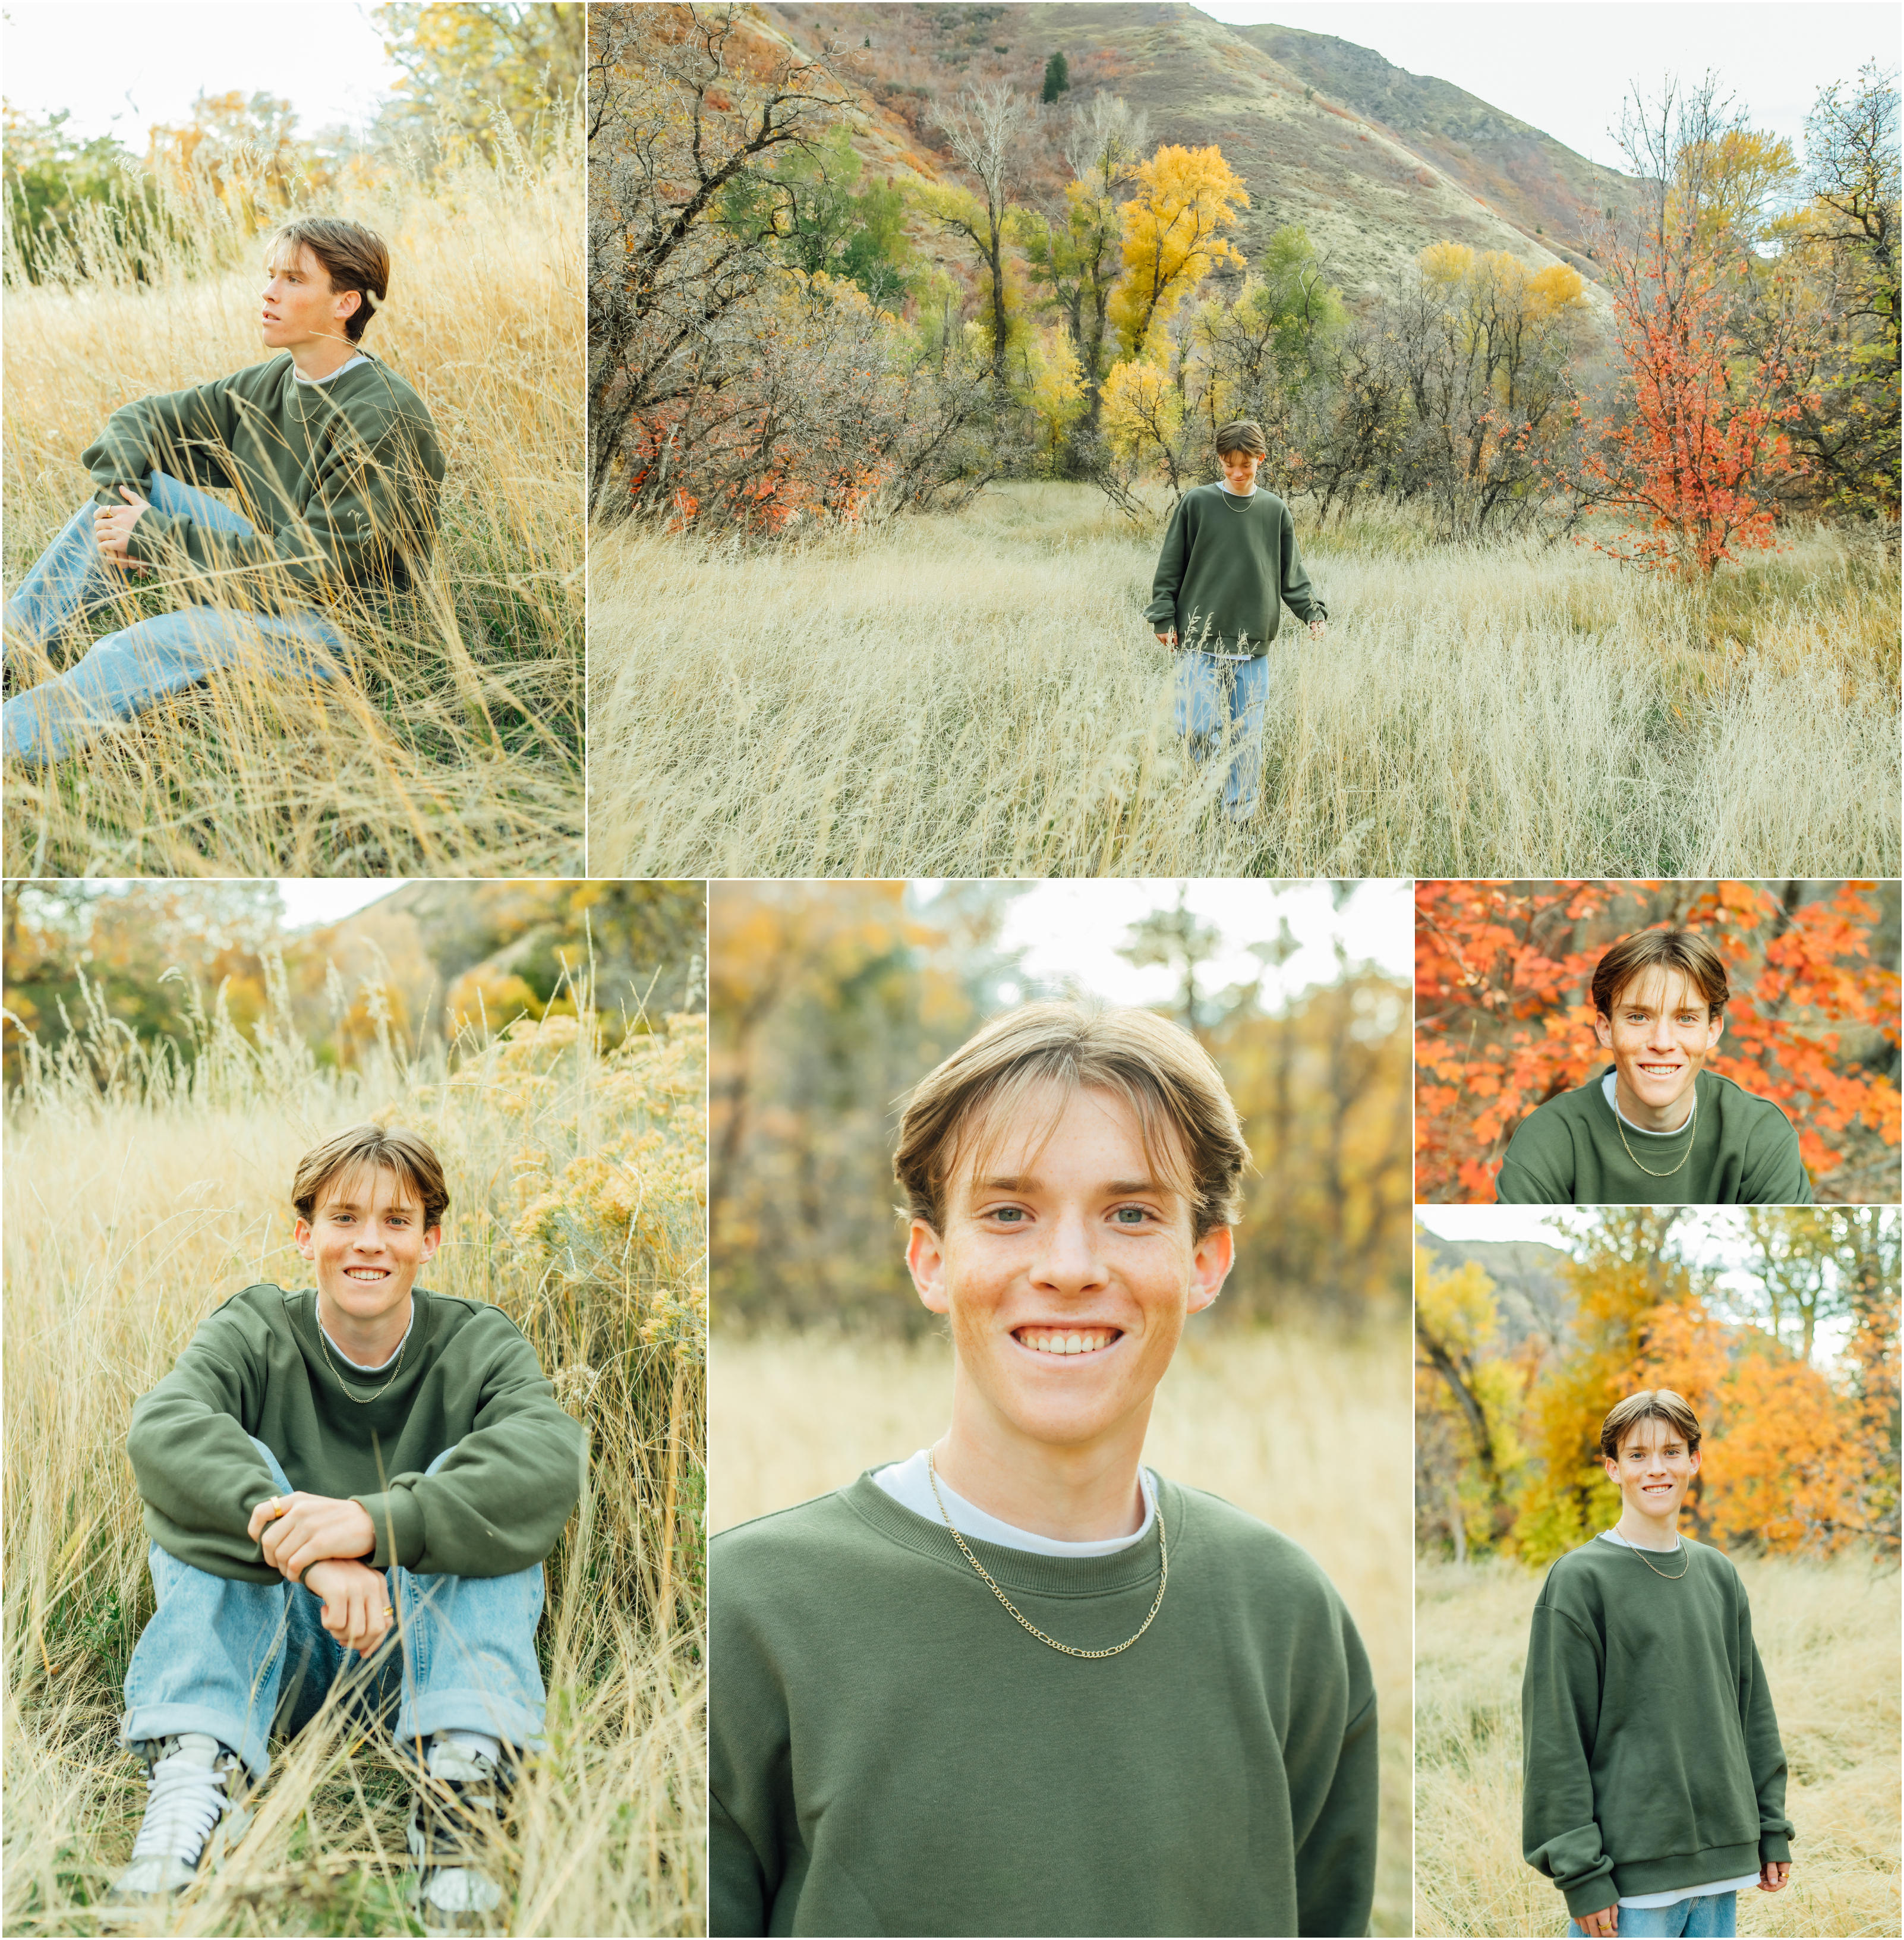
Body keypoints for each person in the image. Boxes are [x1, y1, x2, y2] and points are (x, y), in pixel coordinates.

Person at [710, 1002, 1378, 1938]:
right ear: (931, 1260)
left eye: (1132, 1212)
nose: (1069, 1266)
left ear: (1206, 1262)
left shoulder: (1287, 1616)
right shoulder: (749, 1611)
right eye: (1010, 1212)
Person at [112, 1126, 582, 1928]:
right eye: (345, 1219)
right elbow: (165, 1429)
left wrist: (370, 1525)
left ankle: (462, 1810)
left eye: (397, 1222)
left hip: (427, 1657)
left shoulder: (479, 1343)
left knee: (482, 1487)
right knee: (234, 1470)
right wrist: (316, 1559)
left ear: (432, 1240)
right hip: (272, 1656)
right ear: (307, 1236)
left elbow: (547, 1461)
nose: (370, 1243)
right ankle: (193, 1787)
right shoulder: (255, 1330)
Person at [2, 216, 445, 767]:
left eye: (293, 280)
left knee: (143, 644)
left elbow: (313, 570)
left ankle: (10, 743)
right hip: (276, 584)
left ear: (345, 303)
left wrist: (157, 538)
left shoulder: (381, 414)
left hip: (347, 629)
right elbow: (141, 421)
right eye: (270, 276)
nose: (269, 292)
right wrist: (126, 506)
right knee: (139, 497)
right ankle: (11, 654)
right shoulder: (272, 384)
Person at [1522, 1390, 1793, 1939]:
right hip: (1628, 1886)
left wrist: (1769, 1830)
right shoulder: (1580, 1581)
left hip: (1721, 1871)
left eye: (1671, 1452)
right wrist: (1582, 1874)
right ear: (1613, 1469)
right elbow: (1555, 1739)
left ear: (1694, 1459)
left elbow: (1751, 1713)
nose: (1656, 1469)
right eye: (1638, 1455)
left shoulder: (1718, 1574)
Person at [1495, 929, 1811, 1205]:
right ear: (1606, 1029)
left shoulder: (1761, 1134)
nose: (1662, 1043)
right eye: (1638, 1017)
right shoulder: (1548, 1138)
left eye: (1686, 1018)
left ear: (1712, 1031)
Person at [1145, 418, 1327, 825]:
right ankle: (1209, 786)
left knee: (1247, 737)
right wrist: (1163, 615)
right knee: (1193, 726)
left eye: (1246, 465)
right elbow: (1170, 566)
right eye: (1229, 465)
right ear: (1220, 462)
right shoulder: (1197, 503)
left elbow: (1291, 575)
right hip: (1199, 640)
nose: (1238, 473)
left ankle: (1239, 816)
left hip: (1253, 645)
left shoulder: (1274, 510)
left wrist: (1312, 612)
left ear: (1261, 460)